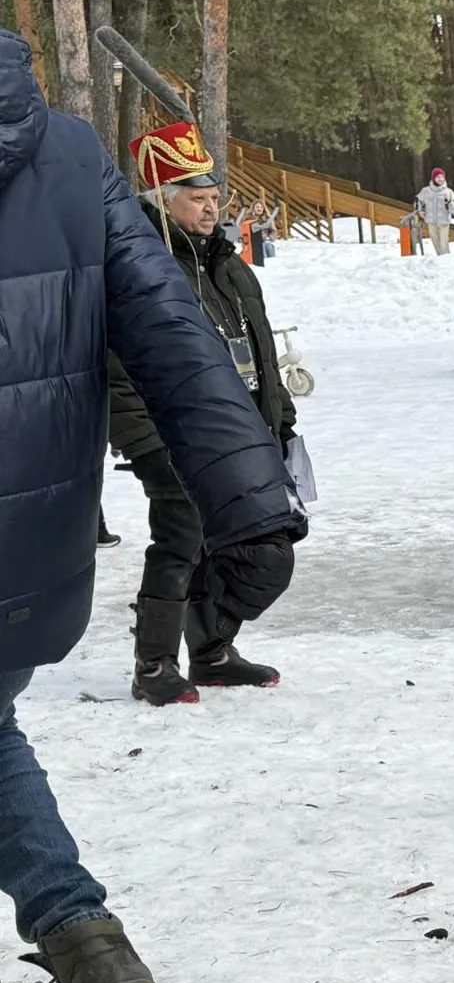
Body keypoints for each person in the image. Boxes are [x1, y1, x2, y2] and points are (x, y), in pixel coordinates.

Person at [1, 32, 302, 983]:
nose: (213, 204)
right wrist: (241, 480)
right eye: (198, 191)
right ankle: (80, 926)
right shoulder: (72, 155)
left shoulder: (147, 210)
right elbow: (167, 341)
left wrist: (259, 469)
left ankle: (74, 917)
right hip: (25, 550)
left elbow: (209, 336)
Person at [109, 123, 303, 705]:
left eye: (215, 198)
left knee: (241, 539)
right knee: (180, 536)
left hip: (240, 425)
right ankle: (154, 663)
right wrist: (144, 438)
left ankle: (213, 650)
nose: (212, 208)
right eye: (198, 198)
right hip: (171, 429)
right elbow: (116, 362)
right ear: (162, 204)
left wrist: (278, 414)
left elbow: (257, 345)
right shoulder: (135, 269)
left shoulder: (227, 263)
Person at [415, 167, 454, 255]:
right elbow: (417, 202)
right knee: (435, 241)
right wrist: (420, 211)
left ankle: (445, 258)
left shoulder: (448, 192)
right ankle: (439, 258)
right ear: (433, 178)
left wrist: (449, 202)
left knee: (444, 243)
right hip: (431, 221)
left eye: (442, 177)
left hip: (444, 222)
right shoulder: (425, 191)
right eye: (438, 177)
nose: (440, 179)